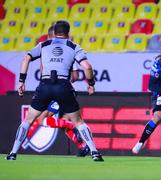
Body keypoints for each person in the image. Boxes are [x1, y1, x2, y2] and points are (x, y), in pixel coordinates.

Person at [6, 20, 103, 161]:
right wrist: (91, 83)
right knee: (79, 122)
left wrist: (21, 81)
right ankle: (94, 153)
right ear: (68, 33)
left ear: (54, 32)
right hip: (63, 86)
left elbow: (26, 59)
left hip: (45, 85)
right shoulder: (73, 46)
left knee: (29, 120)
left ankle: (13, 153)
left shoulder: (43, 45)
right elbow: (87, 67)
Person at [25, 25, 90, 157]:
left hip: (55, 91)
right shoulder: (68, 50)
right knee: (64, 122)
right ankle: (83, 146)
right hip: (64, 90)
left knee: (42, 119)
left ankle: (75, 130)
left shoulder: (47, 51)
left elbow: (45, 75)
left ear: (52, 36)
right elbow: (76, 76)